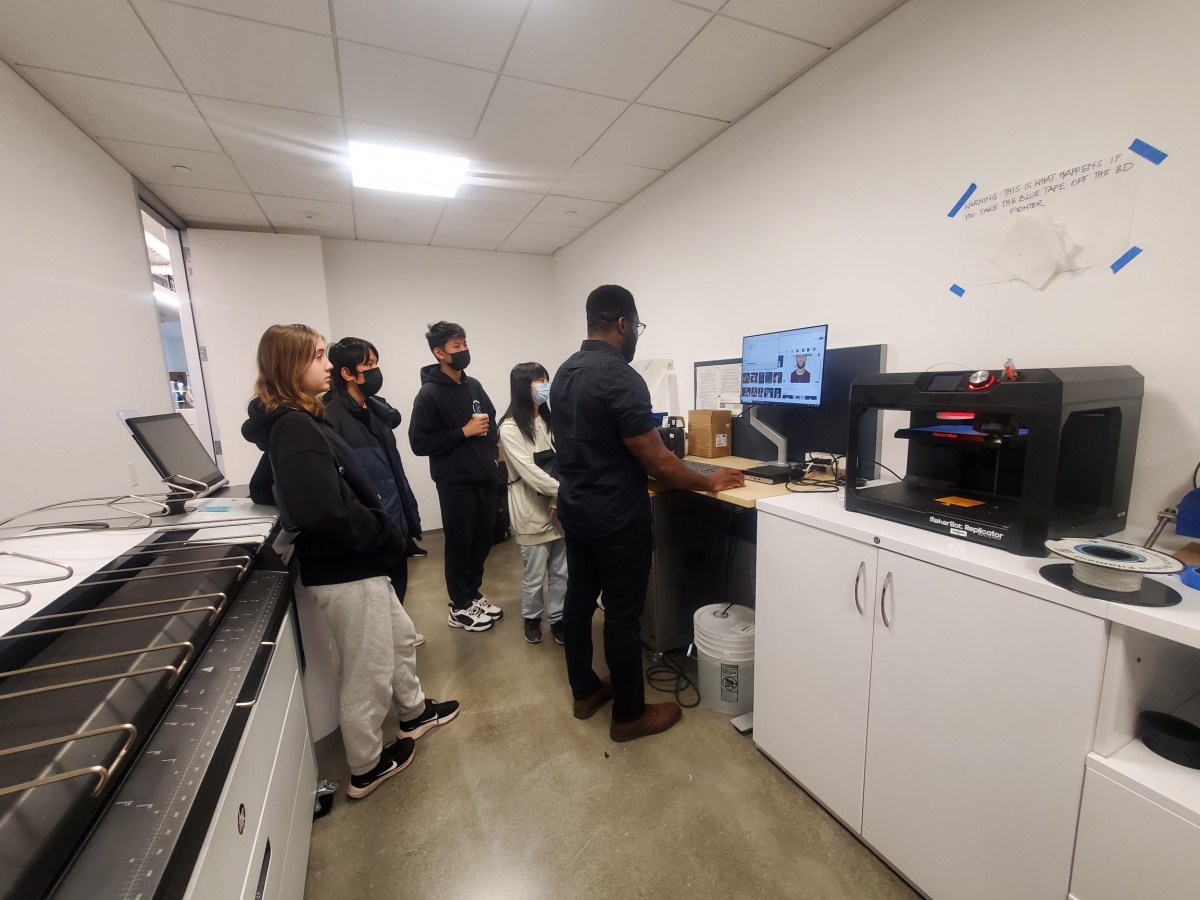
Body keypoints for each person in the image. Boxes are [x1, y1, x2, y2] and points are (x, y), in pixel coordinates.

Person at [241, 324, 459, 800]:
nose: (326, 365)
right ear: (289, 367)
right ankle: (366, 764)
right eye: (317, 356)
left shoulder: (297, 418)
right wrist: (380, 534)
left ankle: (415, 712)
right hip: (346, 564)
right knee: (368, 666)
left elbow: (265, 487)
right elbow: (323, 510)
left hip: (357, 561)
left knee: (400, 637)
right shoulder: (295, 424)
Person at [550, 286, 745, 742]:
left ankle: (585, 692)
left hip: (576, 508)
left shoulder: (564, 372)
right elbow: (657, 462)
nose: (637, 333)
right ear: (623, 323)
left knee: (579, 601)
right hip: (616, 516)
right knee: (622, 616)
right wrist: (708, 480)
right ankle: (630, 716)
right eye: (636, 325)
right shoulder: (619, 376)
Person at [408, 321, 503, 633]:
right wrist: (463, 432)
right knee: (460, 544)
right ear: (439, 353)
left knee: (483, 540)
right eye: (456, 347)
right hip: (454, 483)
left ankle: (472, 593)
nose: (463, 351)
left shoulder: (473, 385)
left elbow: (492, 423)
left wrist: (491, 452)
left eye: (464, 344)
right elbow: (419, 443)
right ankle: (458, 605)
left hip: (485, 477)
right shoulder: (429, 394)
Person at [498, 362, 567, 646]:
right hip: (531, 509)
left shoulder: (551, 420)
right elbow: (531, 473)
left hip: (557, 506)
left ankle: (559, 618)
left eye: (545, 379)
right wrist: (565, 492)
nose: (544, 385)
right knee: (535, 572)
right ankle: (531, 617)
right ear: (522, 387)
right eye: (538, 381)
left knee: (562, 570)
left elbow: (564, 460)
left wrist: (557, 496)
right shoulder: (510, 428)